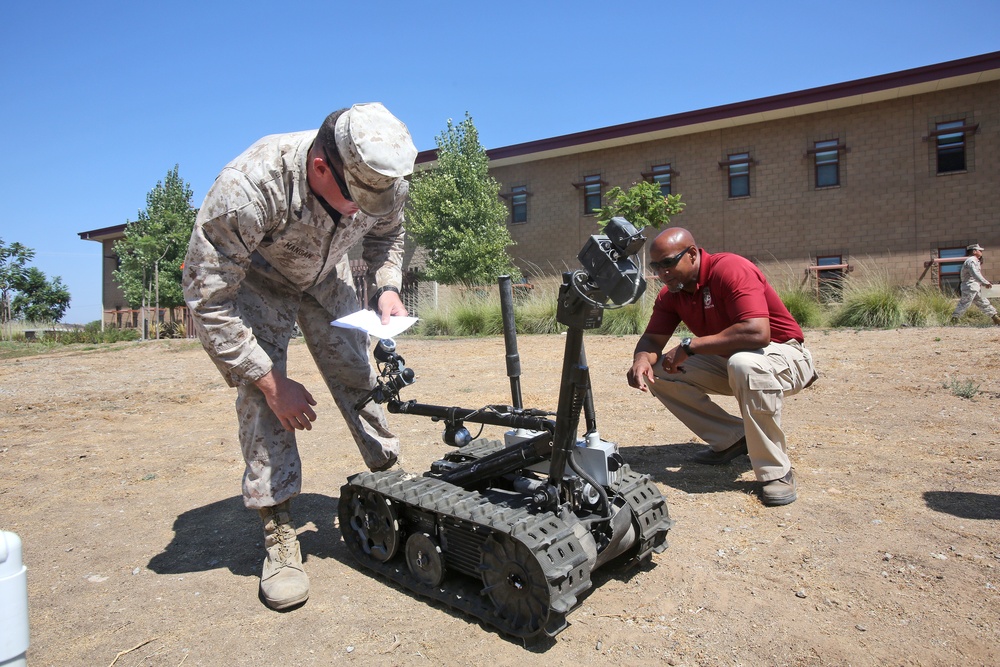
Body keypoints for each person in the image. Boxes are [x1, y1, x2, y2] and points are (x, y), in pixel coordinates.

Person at [182, 102, 418, 610]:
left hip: (326, 276)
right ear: (319, 168)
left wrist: (387, 287)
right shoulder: (248, 187)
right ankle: (279, 529)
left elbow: (388, 236)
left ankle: (389, 478)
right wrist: (270, 381)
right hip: (257, 284)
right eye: (353, 200)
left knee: (357, 369)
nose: (361, 209)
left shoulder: (382, 177)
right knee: (266, 400)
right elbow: (208, 300)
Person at [627, 228, 817, 506]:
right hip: (733, 361)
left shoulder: (731, 268)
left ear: (692, 254)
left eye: (668, 263)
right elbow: (652, 339)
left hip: (785, 356)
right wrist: (641, 360)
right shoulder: (672, 294)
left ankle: (776, 472)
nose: (662, 272)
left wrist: (690, 346)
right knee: (660, 371)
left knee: (744, 362)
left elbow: (757, 333)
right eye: (656, 266)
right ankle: (732, 438)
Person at [950, 243, 1000, 325]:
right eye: (979, 250)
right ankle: (953, 320)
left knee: (983, 302)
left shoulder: (973, 260)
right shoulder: (971, 260)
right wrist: (985, 282)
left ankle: (996, 318)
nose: (981, 252)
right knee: (964, 304)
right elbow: (975, 273)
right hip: (970, 286)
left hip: (973, 287)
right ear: (974, 251)